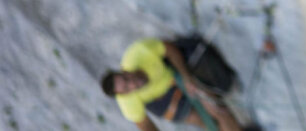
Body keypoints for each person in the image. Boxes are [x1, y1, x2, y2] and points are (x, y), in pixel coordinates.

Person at [100, 37, 242, 131]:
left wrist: (186, 77)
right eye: (127, 88)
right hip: (162, 102)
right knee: (205, 122)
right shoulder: (128, 103)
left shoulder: (138, 52)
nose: (132, 84)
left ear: (124, 70)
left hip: (175, 79)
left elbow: (170, 49)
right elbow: (145, 125)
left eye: (126, 78)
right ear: (125, 95)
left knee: (217, 109)